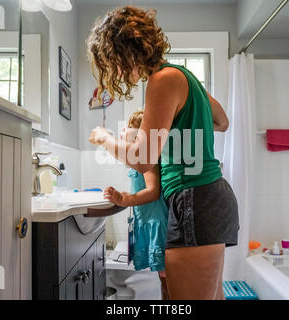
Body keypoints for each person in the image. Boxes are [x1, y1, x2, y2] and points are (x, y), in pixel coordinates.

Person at [87, 6, 239, 300]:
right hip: (209, 196)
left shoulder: (161, 80)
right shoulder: (185, 77)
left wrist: (105, 139)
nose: (116, 71)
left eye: (112, 62)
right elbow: (222, 122)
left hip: (194, 198)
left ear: (124, 51)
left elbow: (143, 160)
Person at [104, 110, 169, 300]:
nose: (125, 130)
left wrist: (125, 200)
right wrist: (126, 195)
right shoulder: (139, 160)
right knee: (163, 278)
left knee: (167, 279)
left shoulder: (147, 159)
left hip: (156, 222)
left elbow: (153, 190)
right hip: (150, 220)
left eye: (131, 127)